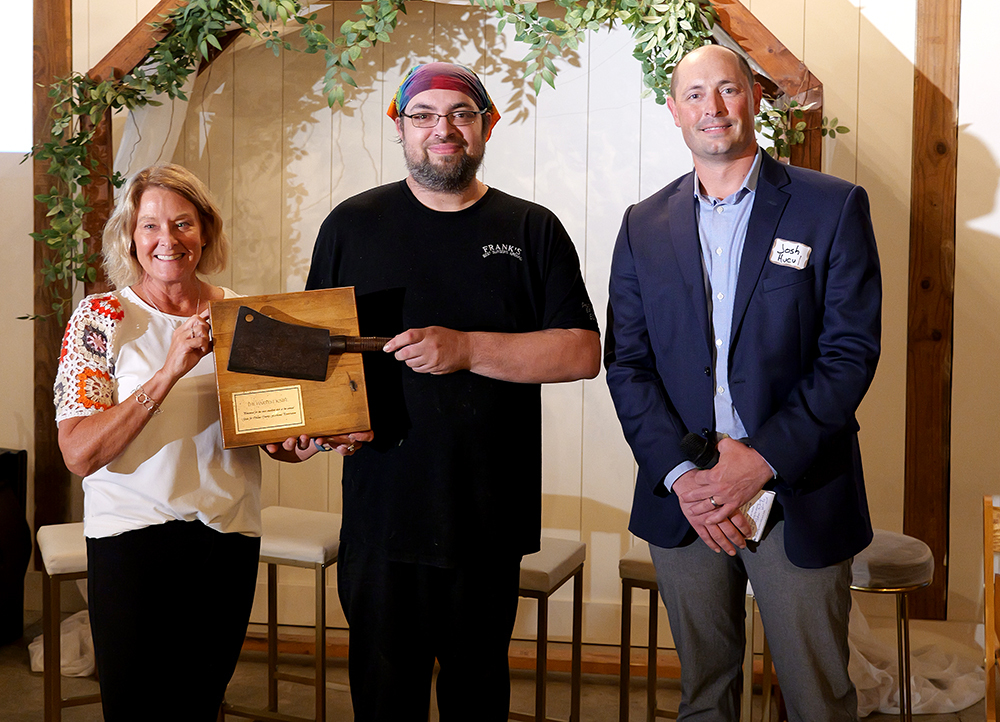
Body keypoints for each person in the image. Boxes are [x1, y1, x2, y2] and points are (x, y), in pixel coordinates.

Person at [305, 62, 601, 721]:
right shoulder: (353, 225)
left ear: (488, 126)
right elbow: (313, 363)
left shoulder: (532, 229)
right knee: (385, 702)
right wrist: (307, 429)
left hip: (487, 519)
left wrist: (467, 348)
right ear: (400, 128)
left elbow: (582, 352)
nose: (444, 129)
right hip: (381, 516)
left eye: (462, 114)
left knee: (476, 697)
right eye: (424, 116)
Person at [604, 44, 881, 721]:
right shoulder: (643, 225)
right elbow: (628, 363)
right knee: (704, 699)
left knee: (818, 700)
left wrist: (757, 460)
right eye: (695, 95)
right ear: (673, 111)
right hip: (687, 497)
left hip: (798, 489)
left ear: (754, 97)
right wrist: (682, 474)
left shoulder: (831, 207)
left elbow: (849, 353)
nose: (713, 108)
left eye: (726, 90)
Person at [53, 164, 367, 721]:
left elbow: (273, 438)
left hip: (226, 535)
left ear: (205, 232)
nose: (166, 240)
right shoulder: (100, 319)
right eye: (149, 226)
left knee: (201, 706)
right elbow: (79, 453)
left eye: (182, 223)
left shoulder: (245, 316)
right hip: (131, 540)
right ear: (129, 235)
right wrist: (169, 369)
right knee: (136, 711)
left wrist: (316, 438)